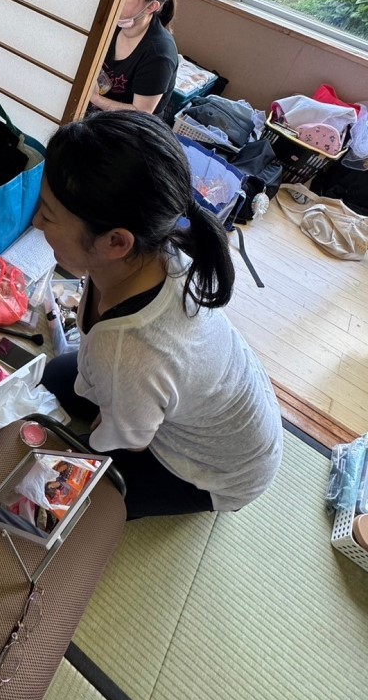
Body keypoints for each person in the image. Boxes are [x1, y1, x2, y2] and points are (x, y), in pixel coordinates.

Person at [35, 111, 283, 520]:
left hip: (219, 470)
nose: (35, 221)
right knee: (53, 378)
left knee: (69, 503)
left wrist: (112, 421)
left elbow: (132, 439)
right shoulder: (152, 250)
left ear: (116, 242)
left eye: (47, 214)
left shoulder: (131, 352)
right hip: (217, 409)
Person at [88, 0, 179, 118]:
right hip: (94, 115)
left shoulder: (159, 54)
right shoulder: (111, 22)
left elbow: (141, 112)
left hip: (128, 127)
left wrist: (95, 98)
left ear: (151, 7)